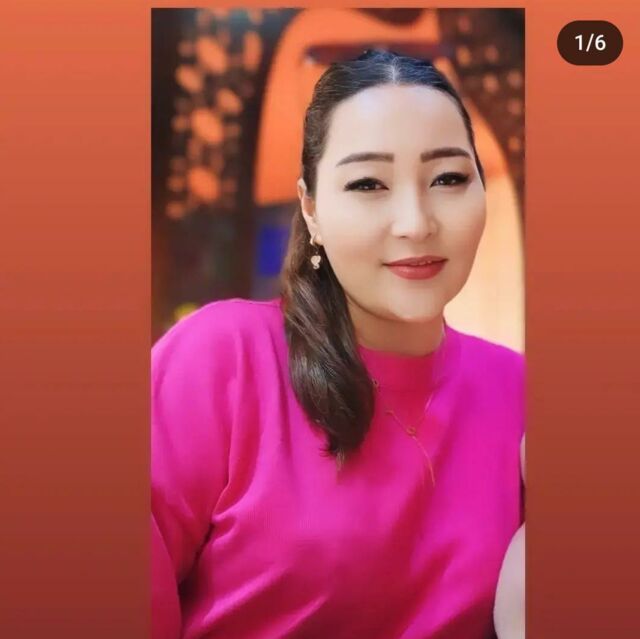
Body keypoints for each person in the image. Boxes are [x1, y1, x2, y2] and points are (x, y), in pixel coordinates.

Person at [152, 49, 525, 639]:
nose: (415, 223)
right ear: (312, 210)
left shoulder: (521, 393)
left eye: (449, 178)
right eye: (368, 183)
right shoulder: (223, 359)